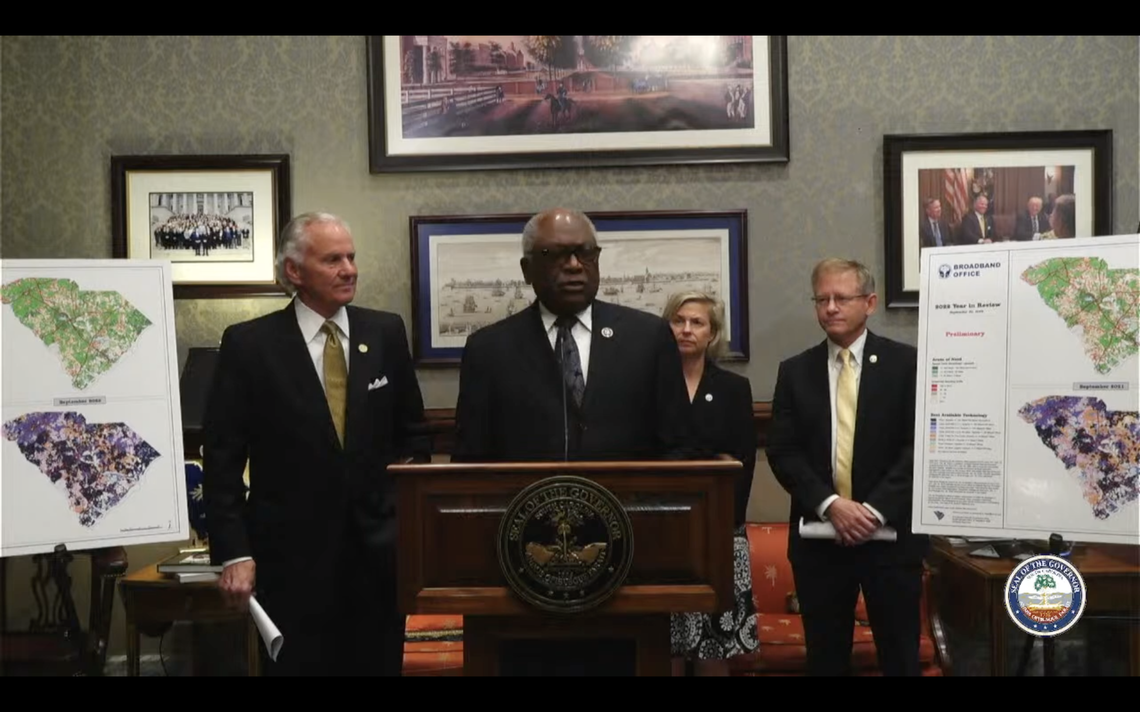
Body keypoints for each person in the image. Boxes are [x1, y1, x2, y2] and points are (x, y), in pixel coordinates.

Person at [452, 206, 691, 675]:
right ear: (527, 268)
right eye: (557, 254)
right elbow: (471, 463)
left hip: (628, 570)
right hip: (521, 576)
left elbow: (678, 448)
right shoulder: (490, 349)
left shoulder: (646, 338)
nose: (575, 265)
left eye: (585, 253)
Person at [202, 211, 430, 677]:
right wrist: (234, 552)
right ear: (294, 271)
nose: (349, 269)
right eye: (333, 259)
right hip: (290, 564)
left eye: (351, 256)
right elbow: (223, 459)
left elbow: (414, 437)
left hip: (378, 561)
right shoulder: (250, 345)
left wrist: (400, 523)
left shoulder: (384, 332)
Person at [766, 258, 928, 676]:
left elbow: (920, 446)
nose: (831, 308)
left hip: (891, 540)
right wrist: (831, 504)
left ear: (870, 302)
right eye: (822, 299)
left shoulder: (907, 364)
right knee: (825, 660)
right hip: (821, 541)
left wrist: (871, 512)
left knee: (900, 657)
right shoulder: (795, 371)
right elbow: (783, 452)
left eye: (842, 298)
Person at [663, 291, 758, 677]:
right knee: (663, 643)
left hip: (721, 530)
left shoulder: (734, 389)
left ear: (712, 333)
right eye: (678, 320)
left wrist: (687, 458)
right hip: (662, 530)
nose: (686, 330)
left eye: (696, 322)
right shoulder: (647, 385)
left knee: (713, 645)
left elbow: (740, 465)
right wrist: (708, 457)